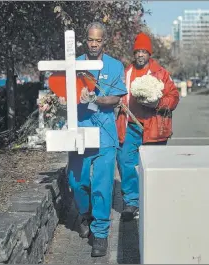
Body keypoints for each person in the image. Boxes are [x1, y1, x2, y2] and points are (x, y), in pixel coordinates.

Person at [65, 22, 127, 257]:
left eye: (98, 40)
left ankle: (100, 233)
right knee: (76, 182)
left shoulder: (114, 65)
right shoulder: (75, 64)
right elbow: (62, 92)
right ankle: (85, 213)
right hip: (79, 131)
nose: (94, 43)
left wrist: (96, 98)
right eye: (90, 39)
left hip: (105, 136)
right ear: (86, 40)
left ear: (104, 41)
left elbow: (117, 98)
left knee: (102, 186)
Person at [116, 32, 180, 221]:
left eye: (144, 51)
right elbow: (117, 94)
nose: (141, 55)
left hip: (153, 127)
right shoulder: (126, 73)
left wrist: (158, 103)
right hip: (130, 125)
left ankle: (155, 201)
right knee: (125, 160)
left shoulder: (160, 73)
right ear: (134, 54)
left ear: (149, 53)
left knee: (154, 166)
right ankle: (131, 202)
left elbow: (174, 97)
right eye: (137, 52)